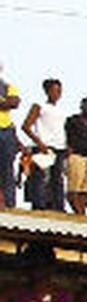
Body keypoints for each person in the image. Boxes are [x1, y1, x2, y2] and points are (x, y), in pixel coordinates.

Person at [21, 78, 66, 212]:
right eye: (54, 90)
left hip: (59, 146)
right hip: (44, 146)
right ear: (47, 91)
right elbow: (26, 126)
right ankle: (38, 205)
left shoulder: (60, 110)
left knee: (57, 178)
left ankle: (58, 206)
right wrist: (39, 143)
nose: (57, 94)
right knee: (40, 177)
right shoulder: (39, 106)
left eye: (59, 91)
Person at [63, 95, 87, 215]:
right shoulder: (73, 120)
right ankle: (77, 209)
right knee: (75, 182)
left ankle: (81, 208)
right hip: (76, 154)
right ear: (82, 107)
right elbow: (65, 135)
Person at [0, 61, 22, 208]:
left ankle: (9, 203)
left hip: (6, 129)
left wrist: (6, 102)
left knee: (7, 168)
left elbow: (14, 102)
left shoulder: (8, 86)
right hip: (6, 129)